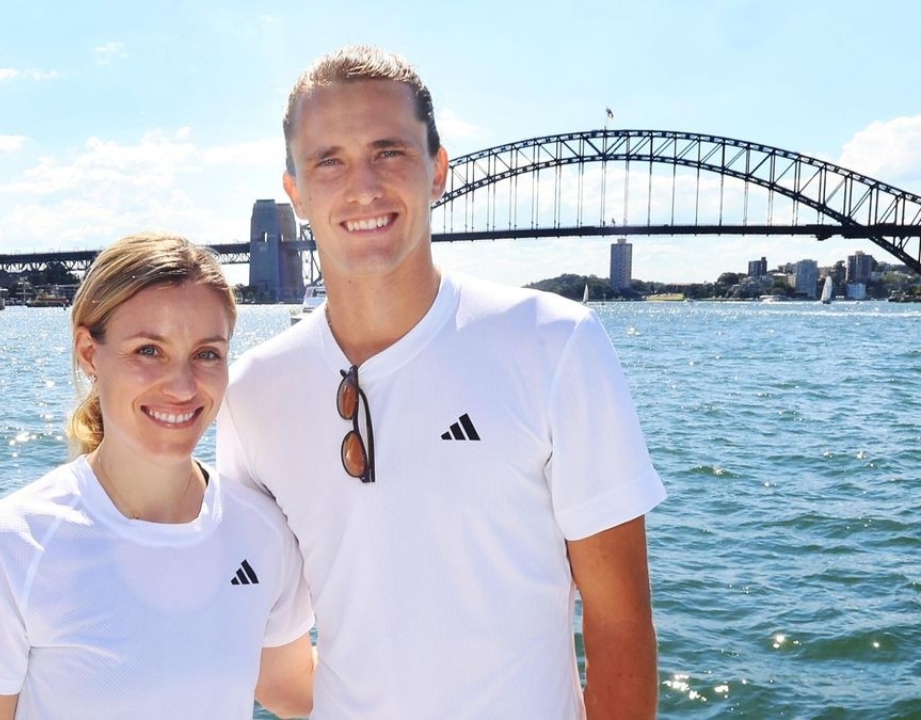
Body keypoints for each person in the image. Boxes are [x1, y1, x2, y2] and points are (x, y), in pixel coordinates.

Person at [216, 46, 666, 718]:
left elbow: (620, 625)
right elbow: (267, 648)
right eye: (328, 160)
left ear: (439, 171)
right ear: (297, 195)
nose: (362, 186)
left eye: (389, 151)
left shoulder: (554, 343)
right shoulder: (252, 393)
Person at [0, 232, 316, 719]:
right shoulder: (2, 547)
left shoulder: (263, 531)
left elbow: (294, 689)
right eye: (149, 351)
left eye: (207, 353)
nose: (183, 386)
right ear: (89, 353)